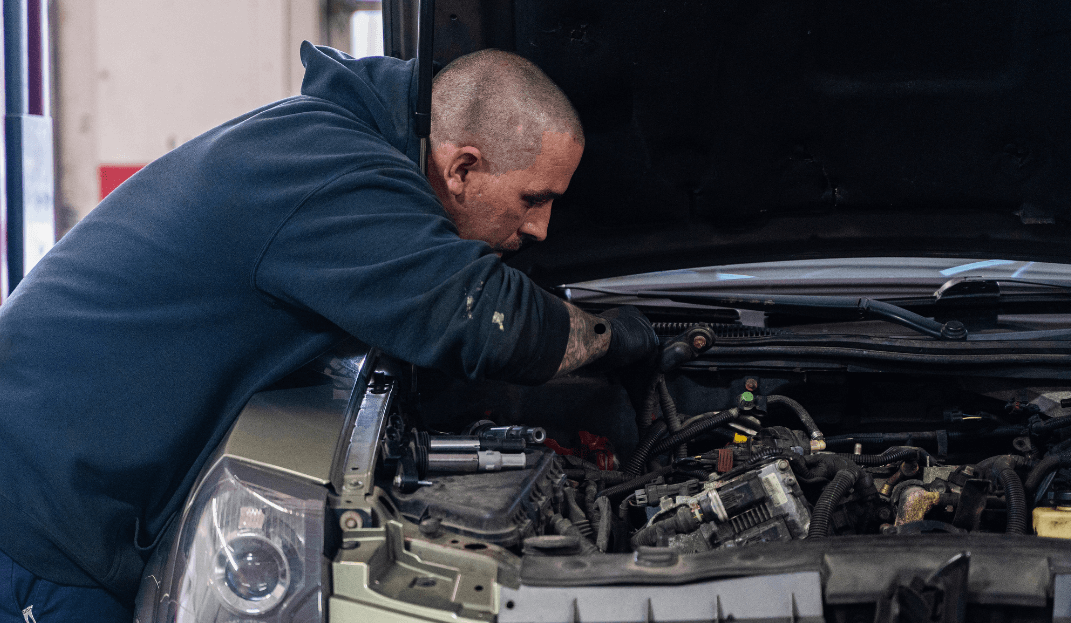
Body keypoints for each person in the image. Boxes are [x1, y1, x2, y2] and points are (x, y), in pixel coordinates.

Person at [0, 43, 657, 622]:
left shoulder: (333, 144)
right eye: (532, 199)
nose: (540, 228)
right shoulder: (333, 171)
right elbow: (483, 319)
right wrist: (621, 339)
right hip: (39, 508)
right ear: (462, 167)